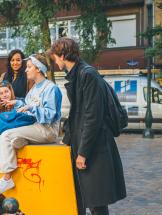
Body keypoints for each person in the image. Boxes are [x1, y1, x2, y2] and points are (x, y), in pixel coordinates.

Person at [50, 37, 126, 215]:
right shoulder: (78, 74)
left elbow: (92, 117)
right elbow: (76, 114)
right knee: (83, 197)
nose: (54, 62)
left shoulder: (87, 74)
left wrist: (83, 153)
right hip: (85, 143)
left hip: (94, 147)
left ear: (62, 55)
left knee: (96, 201)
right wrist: (66, 141)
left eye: (55, 57)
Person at [0, 53, 62, 195]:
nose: (26, 70)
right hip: (35, 127)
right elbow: (28, 108)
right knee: (12, 137)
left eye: (29, 67)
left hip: (47, 130)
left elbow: (51, 115)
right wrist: (18, 103)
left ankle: (6, 178)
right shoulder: (33, 90)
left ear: (38, 69)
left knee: (6, 135)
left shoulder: (51, 88)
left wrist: (30, 108)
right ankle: (20, 141)